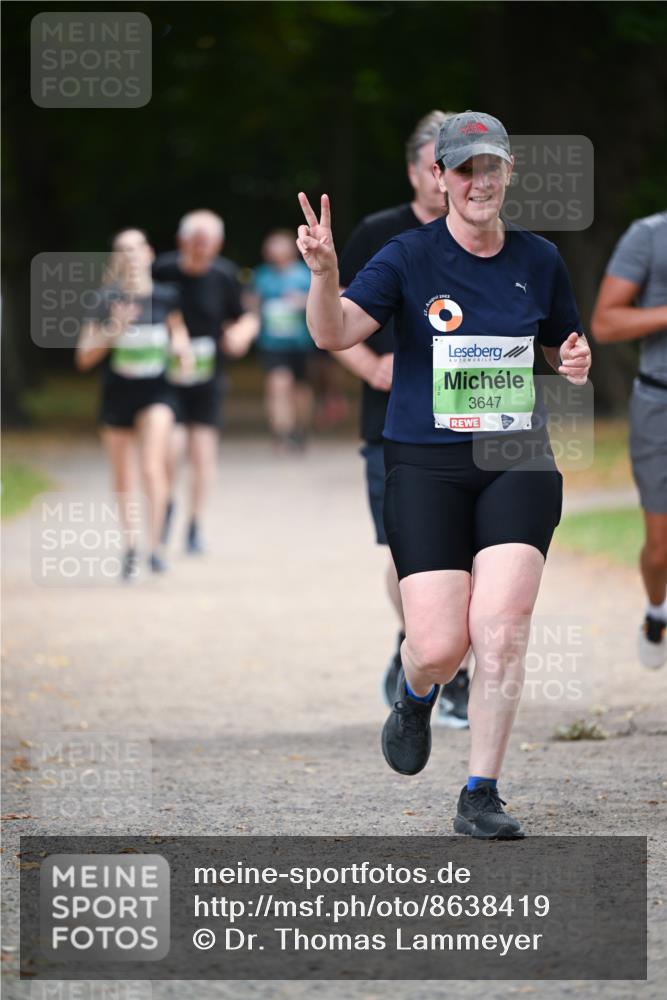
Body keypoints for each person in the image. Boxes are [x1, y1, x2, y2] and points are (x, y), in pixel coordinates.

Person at [296, 110, 591, 839]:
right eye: (463, 169)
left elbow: (562, 345)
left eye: (490, 167)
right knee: (438, 646)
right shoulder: (405, 256)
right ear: (439, 177)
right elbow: (333, 333)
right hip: (424, 462)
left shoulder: (539, 259)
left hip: (515, 458)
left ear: (508, 173)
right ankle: (415, 691)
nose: (478, 181)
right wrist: (326, 272)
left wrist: (573, 361)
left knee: (500, 628)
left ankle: (480, 792)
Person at [336, 109, 472, 728]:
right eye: (436, 168)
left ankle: (426, 653)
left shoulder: (484, 234)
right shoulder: (381, 233)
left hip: (470, 424)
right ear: (421, 169)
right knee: (406, 555)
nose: (447, 182)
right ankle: (430, 651)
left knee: (469, 556)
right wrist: (371, 369)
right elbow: (336, 317)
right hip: (391, 423)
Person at [75, 228, 190, 577]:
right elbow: (83, 358)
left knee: (152, 467)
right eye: (123, 249)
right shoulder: (105, 299)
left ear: (150, 253)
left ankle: (155, 547)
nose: (131, 255)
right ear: (117, 258)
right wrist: (113, 331)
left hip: (157, 393)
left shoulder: (168, 296)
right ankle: (130, 547)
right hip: (118, 394)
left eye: (136, 248)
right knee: (123, 474)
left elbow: (178, 332)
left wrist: (182, 350)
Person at [153, 210, 258, 553]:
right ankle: (164, 507)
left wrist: (241, 334)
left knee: (202, 454)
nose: (202, 250)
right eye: (196, 243)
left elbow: (245, 317)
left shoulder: (224, 275)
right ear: (182, 241)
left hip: (208, 375)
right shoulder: (162, 271)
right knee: (170, 449)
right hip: (166, 376)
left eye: (209, 244)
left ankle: (194, 524)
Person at [591, 211, 667, 669]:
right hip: (660, 404)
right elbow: (604, 323)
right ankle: (657, 611)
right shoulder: (649, 235)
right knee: (660, 548)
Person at [249, 229, 314, 451]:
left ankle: (301, 429)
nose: (274, 252)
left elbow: (322, 301)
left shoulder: (304, 274)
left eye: (279, 246)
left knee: (301, 389)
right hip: (271, 342)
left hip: (300, 342)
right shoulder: (261, 275)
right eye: (270, 247)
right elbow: (252, 304)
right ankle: (282, 432)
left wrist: (303, 301)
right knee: (278, 383)